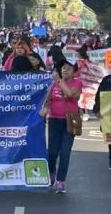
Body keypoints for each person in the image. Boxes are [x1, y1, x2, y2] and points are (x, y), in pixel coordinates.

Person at [40, 60, 82, 193]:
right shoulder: (54, 83)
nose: (65, 70)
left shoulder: (77, 82)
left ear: (73, 71)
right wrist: (44, 110)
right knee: (52, 152)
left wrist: (58, 81)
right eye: (63, 68)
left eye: (68, 69)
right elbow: (48, 99)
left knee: (65, 152)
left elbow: (70, 94)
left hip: (69, 122)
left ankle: (61, 180)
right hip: (54, 121)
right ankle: (51, 172)